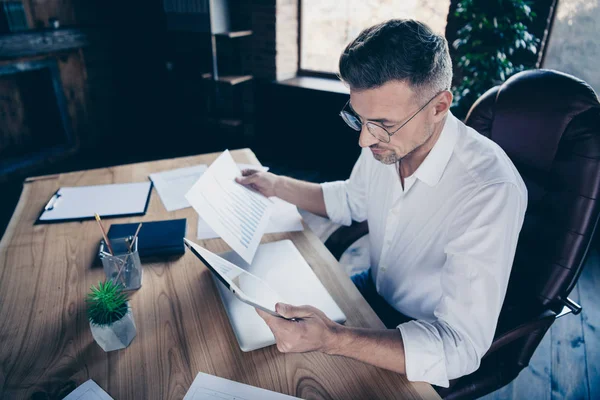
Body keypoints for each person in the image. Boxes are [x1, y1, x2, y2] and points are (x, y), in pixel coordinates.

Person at [235, 19, 527, 388]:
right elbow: (351, 200)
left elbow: (460, 347)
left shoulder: (488, 190)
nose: (363, 139)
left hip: (423, 338)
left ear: (439, 106)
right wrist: (274, 184)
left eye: (381, 124)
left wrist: (333, 339)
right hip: (370, 292)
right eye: (359, 119)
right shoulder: (386, 142)